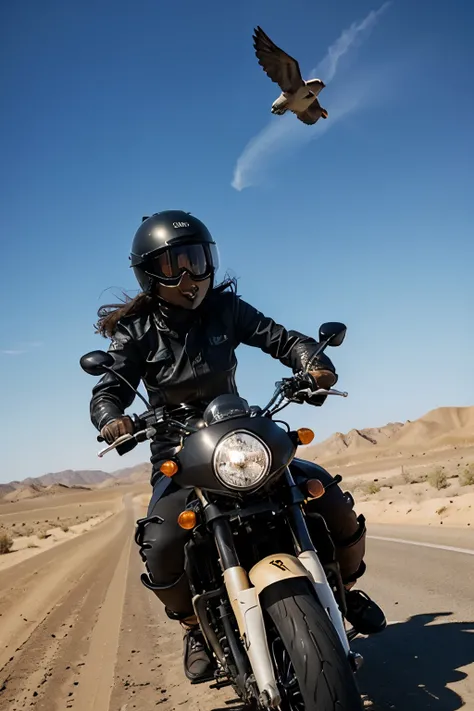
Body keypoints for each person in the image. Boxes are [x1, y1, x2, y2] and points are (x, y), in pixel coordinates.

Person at [88, 210, 386, 683]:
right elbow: (109, 389)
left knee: (322, 491)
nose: (188, 276)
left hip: (238, 434)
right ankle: (192, 625)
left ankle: (346, 590)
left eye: (195, 260)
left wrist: (314, 362)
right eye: (172, 266)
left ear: (210, 259)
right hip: (180, 455)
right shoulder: (137, 331)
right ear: (149, 274)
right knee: (162, 540)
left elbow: (282, 339)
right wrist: (113, 418)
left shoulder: (228, 310)